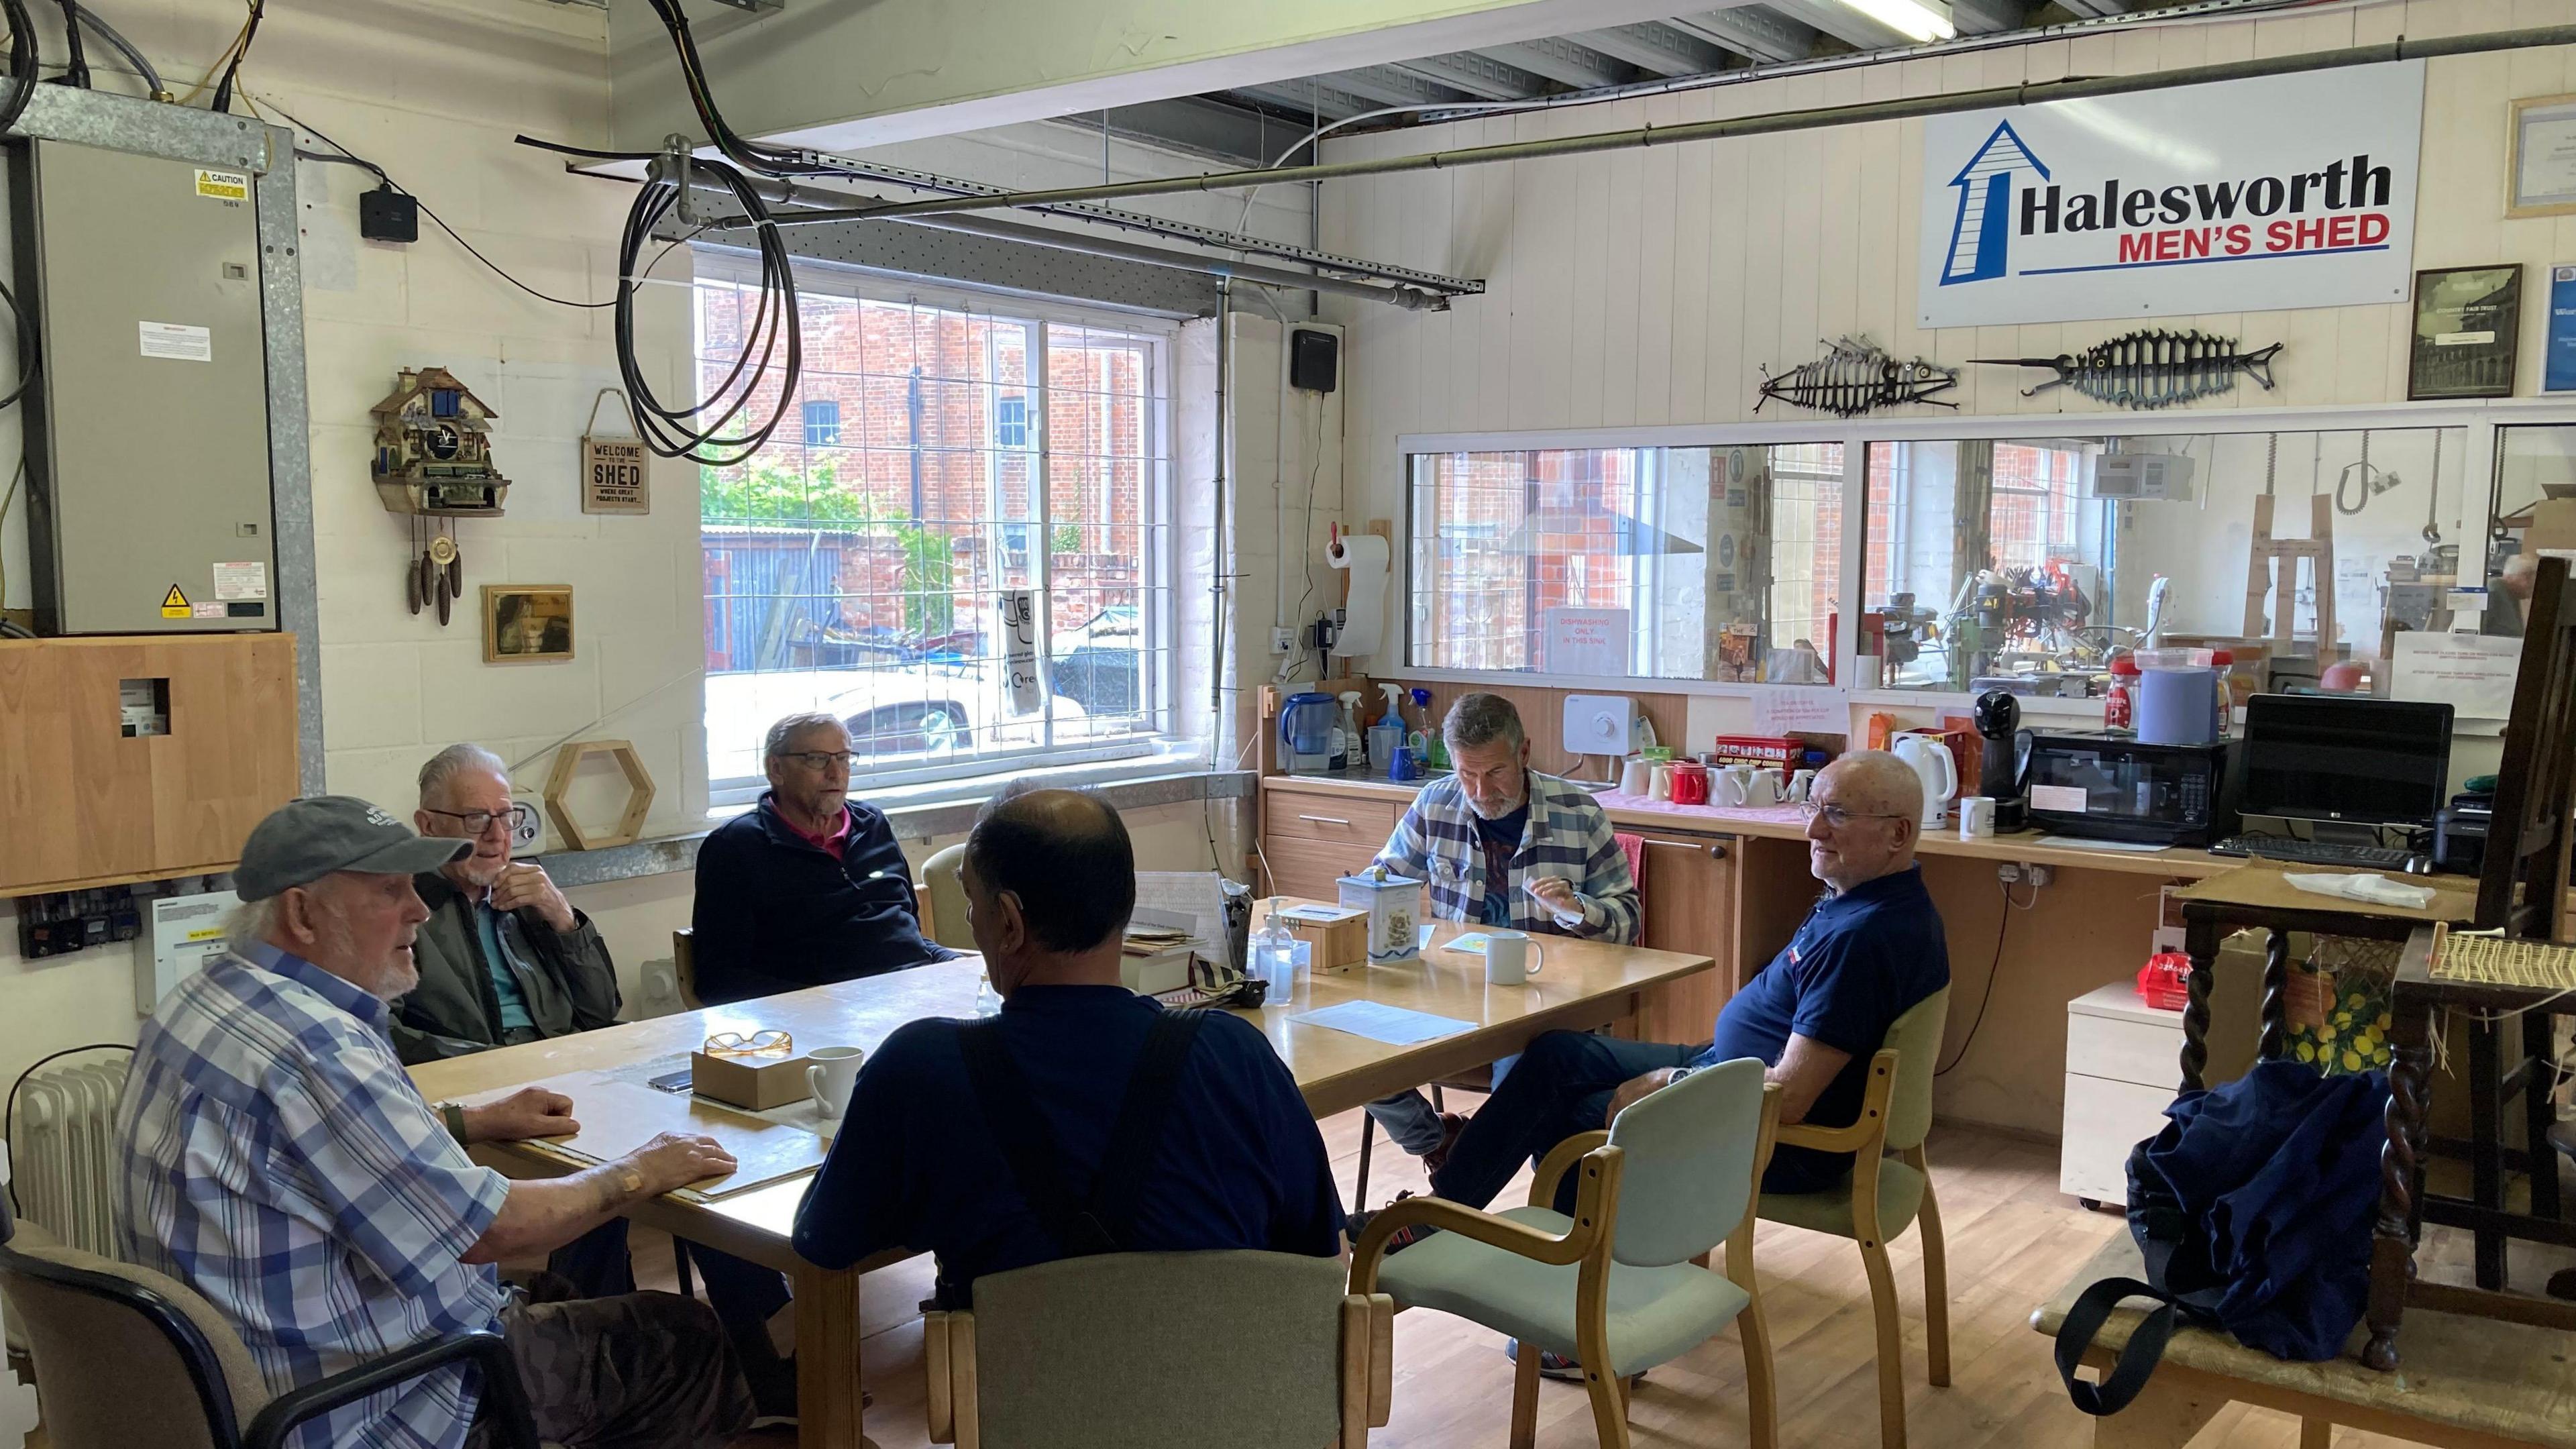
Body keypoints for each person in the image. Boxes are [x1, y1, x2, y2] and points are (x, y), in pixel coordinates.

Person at [115, 796, 754, 1449]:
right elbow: (490, 1231)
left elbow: (314, 1152)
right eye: (390, 891)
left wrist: (468, 1119)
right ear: (302, 913)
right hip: (367, 1405)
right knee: (683, 1341)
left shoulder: (208, 997)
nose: (418, 909)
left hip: (245, 1380)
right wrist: (639, 1172)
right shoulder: (316, 1046)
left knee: (562, 1291)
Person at [1383, 751, 1950, 1374]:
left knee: (1571, 1118)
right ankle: (1449, 1214)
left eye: (1836, 815)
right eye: (1814, 806)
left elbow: (1786, 1100)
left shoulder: (1863, 940)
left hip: (1770, 1135)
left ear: (1897, 833)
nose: (1813, 829)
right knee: (1554, 1053)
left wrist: (1672, 1082)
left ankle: (1581, 1318)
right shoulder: (1878, 902)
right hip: (1727, 1070)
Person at [792, 785, 1344, 1305]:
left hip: (1015, 1403)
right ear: (1125, 906)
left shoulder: (920, 1067)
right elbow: (1322, 1252)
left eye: (972, 902)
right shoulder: (1234, 1054)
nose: (970, 919)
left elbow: (824, 1240)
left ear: (1008, 922)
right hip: (1228, 1398)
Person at [399, 744, 798, 1417]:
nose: (497, 837)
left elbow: (599, 1009)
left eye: (507, 816)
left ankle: (768, 1358)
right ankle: (605, 1370)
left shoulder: (525, 896)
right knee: (601, 1195)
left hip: (576, 1081)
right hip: (490, 1104)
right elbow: (392, 1034)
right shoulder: (406, 908)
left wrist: (563, 919)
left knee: (700, 1156)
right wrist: (502, 1067)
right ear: (427, 824)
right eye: (476, 819)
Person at [1360, 692, 1642, 1169]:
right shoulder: (1436, 803)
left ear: (1524, 753)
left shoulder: (1578, 812)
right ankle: (1436, 1143)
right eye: (1466, 774)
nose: (1480, 791)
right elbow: (1382, 883)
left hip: (1544, 1009)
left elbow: (1628, 921)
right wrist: (1373, 898)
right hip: (1450, 995)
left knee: (1528, 1087)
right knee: (1354, 1049)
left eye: (1494, 773)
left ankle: (1485, 1205)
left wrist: (1577, 909)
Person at [690, 712, 953, 1005]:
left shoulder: (872, 825)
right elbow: (719, 980)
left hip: (915, 990)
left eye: (843, 758)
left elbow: (907, 935)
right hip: (823, 1018)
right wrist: (828, 1002)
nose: (836, 774)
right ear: (776, 769)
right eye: (817, 759)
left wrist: (956, 965)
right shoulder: (735, 846)